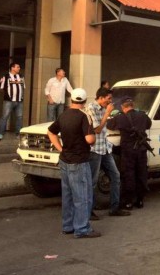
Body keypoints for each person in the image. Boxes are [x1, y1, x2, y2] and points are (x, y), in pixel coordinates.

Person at [47, 88, 100, 239]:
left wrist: (60, 149)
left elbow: (51, 132)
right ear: (84, 102)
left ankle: (67, 225)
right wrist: (94, 137)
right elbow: (89, 139)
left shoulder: (63, 115)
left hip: (64, 159)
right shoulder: (84, 117)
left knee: (68, 194)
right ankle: (82, 228)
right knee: (82, 196)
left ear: (71, 100)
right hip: (79, 160)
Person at [85, 88, 130, 218]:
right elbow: (97, 129)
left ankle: (114, 208)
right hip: (94, 150)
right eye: (108, 99)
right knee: (92, 181)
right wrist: (107, 113)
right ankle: (89, 211)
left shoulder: (105, 109)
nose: (110, 102)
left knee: (115, 176)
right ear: (101, 97)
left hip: (104, 147)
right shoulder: (91, 108)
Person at [107, 97, 152, 210]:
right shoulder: (142, 115)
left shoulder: (120, 117)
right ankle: (140, 200)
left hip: (128, 150)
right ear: (133, 105)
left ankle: (128, 202)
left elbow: (109, 125)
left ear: (123, 107)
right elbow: (148, 124)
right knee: (141, 173)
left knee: (128, 175)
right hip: (141, 149)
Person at [0, 62, 25, 140]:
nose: (19, 68)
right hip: (8, 101)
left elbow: (23, 87)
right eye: (17, 67)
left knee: (19, 117)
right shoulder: (6, 76)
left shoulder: (21, 76)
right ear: (12, 68)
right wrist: (8, 95)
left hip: (19, 101)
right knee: (5, 117)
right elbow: (0, 87)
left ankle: (18, 134)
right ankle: (0, 134)